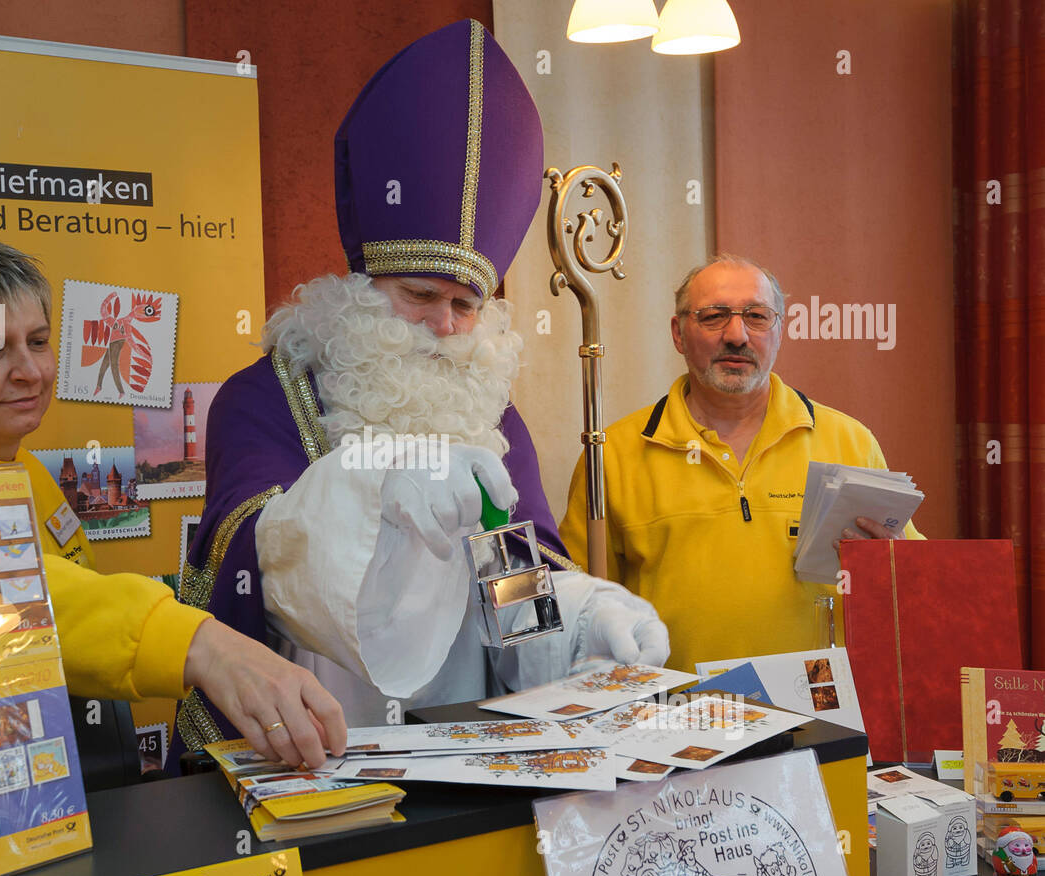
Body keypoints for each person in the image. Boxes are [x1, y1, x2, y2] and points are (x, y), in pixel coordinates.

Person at [179, 19, 668, 739]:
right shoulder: (265, 400)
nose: (443, 325)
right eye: (418, 295)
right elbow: (257, 577)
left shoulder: (491, 419)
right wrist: (375, 494)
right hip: (309, 755)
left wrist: (583, 627)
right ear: (362, 285)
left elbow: (514, 596)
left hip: (464, 756)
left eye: (465, 304)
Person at [0, 230, 345, 769]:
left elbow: (77, 592)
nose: (31, 371)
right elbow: (21, 594)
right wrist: (202, 647)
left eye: (39, 341)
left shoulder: (20, 467)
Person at [560, 254, 922, 674]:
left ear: (779, 331)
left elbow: (913, 580)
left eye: (756, 316)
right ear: (679, 333)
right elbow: (579, 607)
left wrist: (896, 567)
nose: (737, 335)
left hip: (820, 712)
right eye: (713, 316)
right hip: (675, 721)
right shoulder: (614, 454)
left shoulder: (848, 442)